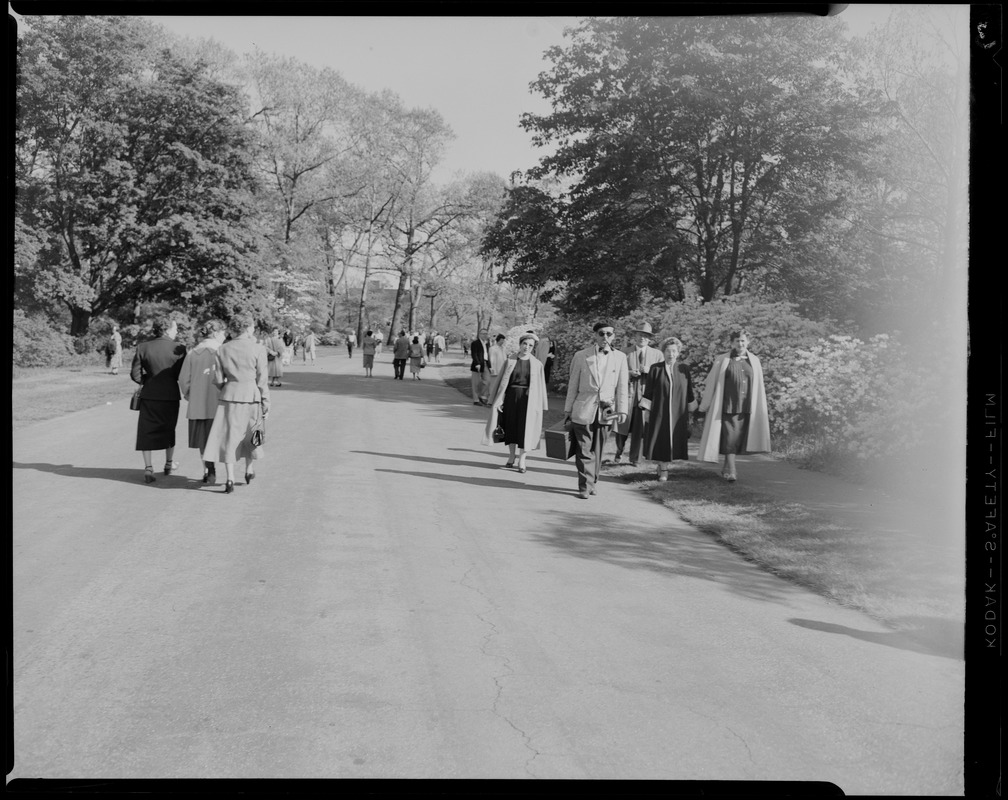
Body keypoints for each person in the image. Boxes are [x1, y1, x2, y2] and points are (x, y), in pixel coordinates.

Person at [203, 313, 271, 494]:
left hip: (229, 396)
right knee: (251, 434)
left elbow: (217, 379)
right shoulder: (258, 349)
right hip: (252, 396)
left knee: (229, 437)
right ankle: (249, 469)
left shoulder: (223, 349)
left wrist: (228, 387)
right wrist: (266, 402)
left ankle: (230, 478)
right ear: (249, 328)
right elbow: (262, 380)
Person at [563, 321, 629, 499]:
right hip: (583, 407)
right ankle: (584, 486)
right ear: (595, 335)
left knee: (598, 449)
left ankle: (593, 482)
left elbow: (623, 386)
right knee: (584, 449)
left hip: (607, 410)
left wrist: (622, 410)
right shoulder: (581, 356)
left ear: (614, 336)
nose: (605, 337)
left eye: (609, 334)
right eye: (602, 333)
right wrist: (568, 408)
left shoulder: (620, 357)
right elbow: (573, 384)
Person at [697, 329, 771, 482]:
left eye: (743, 340)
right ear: (732, 343)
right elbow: (711, 383)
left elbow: (758, 386)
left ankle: (725, 467)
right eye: (737, 341)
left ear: (748, 342)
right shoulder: (722, 360)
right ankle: (733, 471)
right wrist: (704, 406)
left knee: (735, 440)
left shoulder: (754, 361)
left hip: (746, 407)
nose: (740, 343)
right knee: (731, 439)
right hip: (727, 406)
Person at [130, 315, 187, 484]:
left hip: (150, 394)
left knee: (146, 430)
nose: (176, 331)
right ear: (168, 329)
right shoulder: (180, 348)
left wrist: (147, 381)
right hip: (170, 394)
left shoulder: (143, 347)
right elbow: (182, 375)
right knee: (169, 429)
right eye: (175, 328)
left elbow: (135, 374)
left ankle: (148, 467)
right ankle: (168, 463)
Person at [482, 332, 549, 473]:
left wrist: (541, 405)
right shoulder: (510, 360)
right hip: (511, 397)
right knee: (511, 427)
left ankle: (522, 460)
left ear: (533, 348)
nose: (527, 347)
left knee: (526, 429)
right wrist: (498, 400)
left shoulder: (537, 364)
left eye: (530, 345)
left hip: (528, 400)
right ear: (520, 344)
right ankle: (511, 456)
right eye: (525, 344)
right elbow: (501, 382)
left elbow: (541, 386)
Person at [640, 337, 699, 481]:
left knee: (673, 440)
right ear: (663, 352)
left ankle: (662, 466)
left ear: (678, 353)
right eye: (667, 351)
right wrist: (647, 411)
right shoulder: (656, 368)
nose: (670, 354)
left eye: (674, 351)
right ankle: (664, 469)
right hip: (659, 411)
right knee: (661, 439)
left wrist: (692, 408)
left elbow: (689, 390)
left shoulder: (683, 369)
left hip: (678, 412)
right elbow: (648, 391)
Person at [178, 319, 226, 484]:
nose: (224, 335)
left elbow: (184, 379)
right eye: (223, 332)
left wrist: (188, 393)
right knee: (219, 436)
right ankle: (221, 470)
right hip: (218, 400)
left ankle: (208, 468)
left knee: (202, 438)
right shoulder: (222, 351)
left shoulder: (193, 353)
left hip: (198, 401)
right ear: (216, 333)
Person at [614, 321, 664, 466]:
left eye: (646, 336)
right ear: (635, 336)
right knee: (621, 425)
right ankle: (619, 450)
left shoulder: (657, 355)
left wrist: (651, 371)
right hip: (627, 395)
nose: (642, 338)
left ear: (650, 339)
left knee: (639, 428)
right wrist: (629, 373)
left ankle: (635, 458)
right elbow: (616, 372)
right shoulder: (624, 352)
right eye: (640, 334)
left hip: (645, 397)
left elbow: (662, 376)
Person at [470, 329, 492, 405]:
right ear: (479, 334)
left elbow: (488, 355)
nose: (485, 335)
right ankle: (476, 400)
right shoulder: (475, 343)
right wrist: (477, 363)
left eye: (486, 334)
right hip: (478, 364)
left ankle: (482, 396)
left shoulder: (487, 343)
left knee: (487, 381)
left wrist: (490, 366)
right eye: (483, 334)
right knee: (476, 383)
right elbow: (474, 354)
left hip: (485, 363)